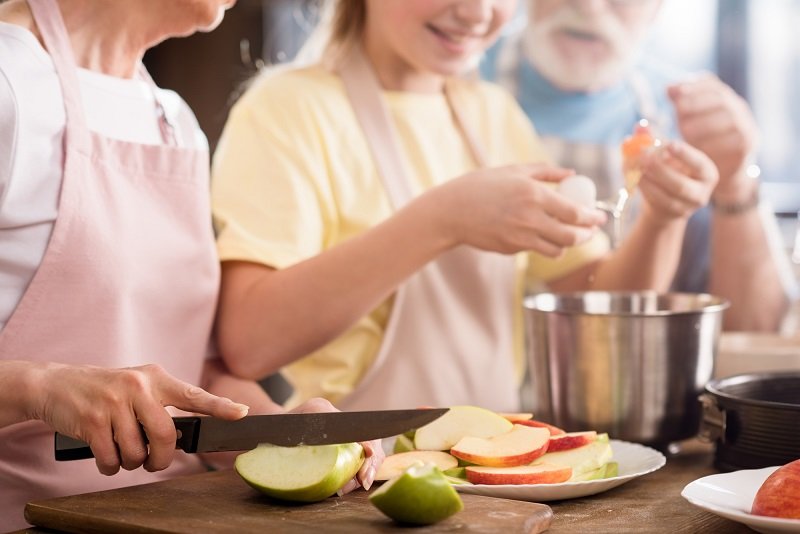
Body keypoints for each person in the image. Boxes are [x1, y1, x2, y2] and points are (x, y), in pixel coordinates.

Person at [211, 0, 717, 414]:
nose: (478, 12)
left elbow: (597, 307)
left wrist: (664, 217)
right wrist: (443, 219)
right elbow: (251, 340)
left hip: (492, 469)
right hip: (359, 475)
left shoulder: (492, 113)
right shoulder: (289, 109)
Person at [0, 0, 379, 529]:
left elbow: (189, 368)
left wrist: (277, 430)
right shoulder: (9, 83)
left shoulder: (173, 122)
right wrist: (38, 388)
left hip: (170, 517)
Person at [482, 0, 799, 331]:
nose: (589, 7)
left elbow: (756, 330)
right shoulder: (454, 82)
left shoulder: (692, 120)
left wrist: (736, 183)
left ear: (658, 9)